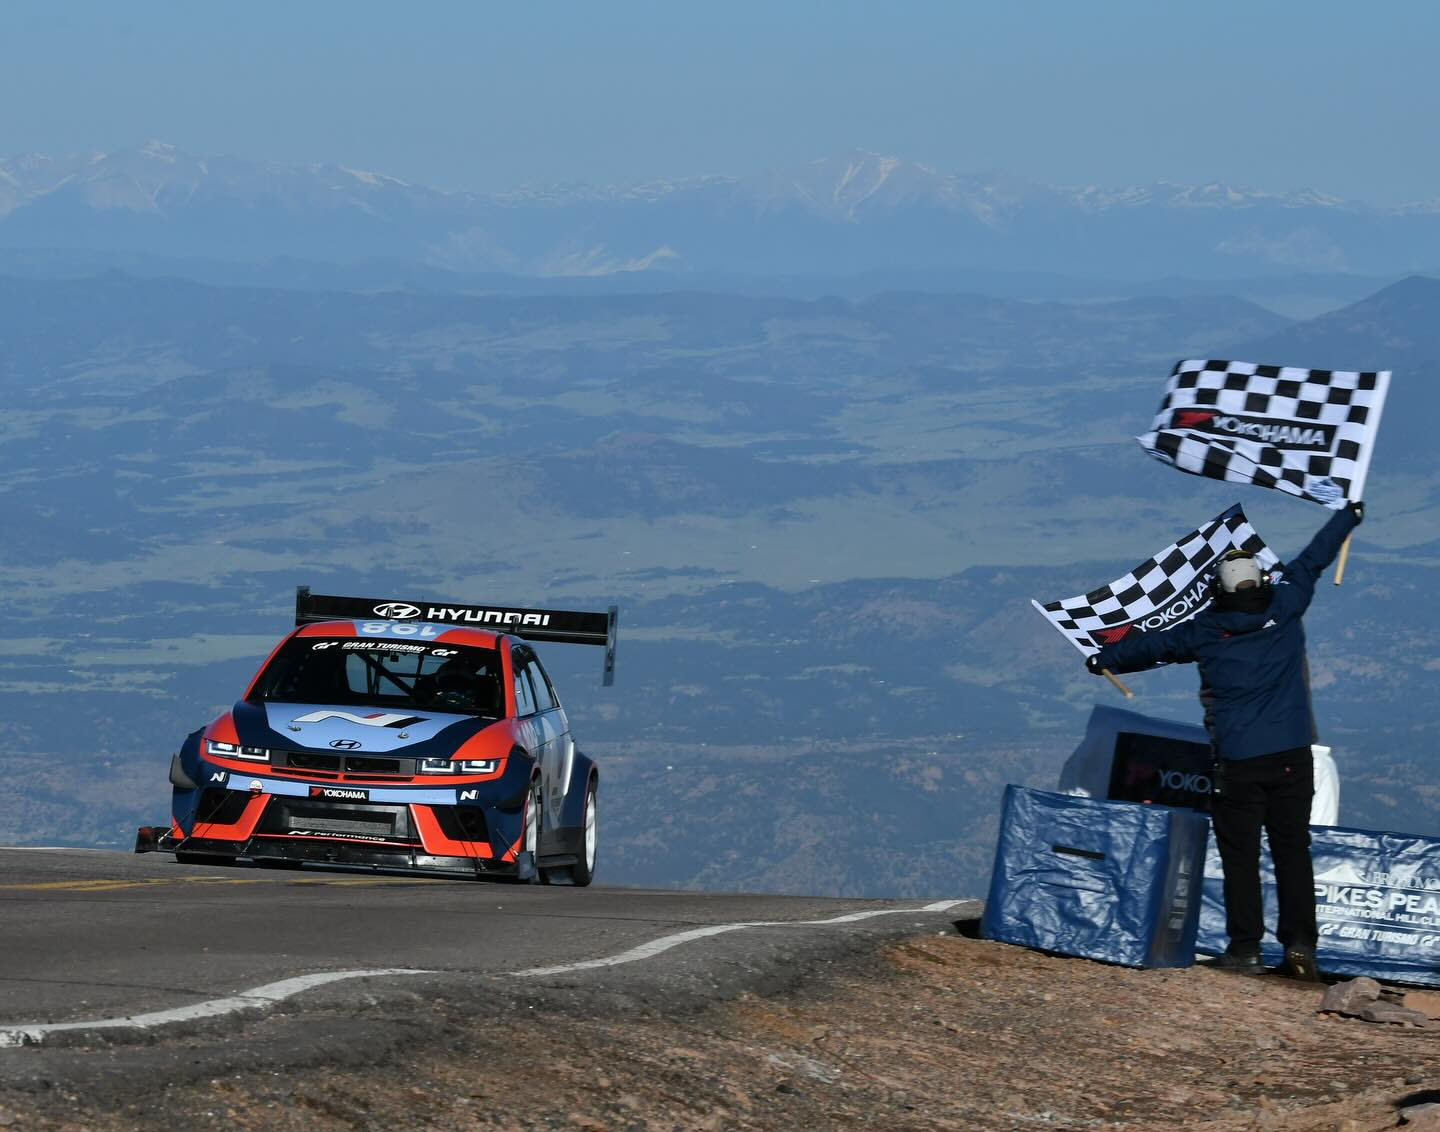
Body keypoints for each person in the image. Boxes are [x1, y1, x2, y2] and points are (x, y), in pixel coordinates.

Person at [1086, 501, 1364, 981]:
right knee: (1293, 852)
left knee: (1241, 856)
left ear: (1220, 588)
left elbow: (1153, 644)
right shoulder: (1288, 604)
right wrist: (1349, 516)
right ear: (1260, 581)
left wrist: (1103, 658)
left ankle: (1245, 949)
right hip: (1293, 757)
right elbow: (1315, 557)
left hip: (1239, 762)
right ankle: (1301, 951)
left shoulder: (1207, 631)